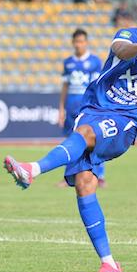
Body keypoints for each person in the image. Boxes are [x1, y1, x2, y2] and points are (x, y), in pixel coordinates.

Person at [3, 0, 137, 272]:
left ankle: (32, 170)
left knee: (85, 135)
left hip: (125, 122)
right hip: (93, 109)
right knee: (85, 183)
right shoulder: (129, 36)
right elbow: (120, 52)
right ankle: (108, 264)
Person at [57, 29, 103, 187]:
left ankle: (99, 175)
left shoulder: (95, 62)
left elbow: (97, 86)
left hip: (87, 106)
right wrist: (61, 108)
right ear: (72, 43)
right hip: (71, 106)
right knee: (71, 141)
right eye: (76, 42)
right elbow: (65, 86)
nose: (79, 45)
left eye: (81, 41)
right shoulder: (68, 63)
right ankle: (69, 177)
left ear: (86, 42)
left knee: (92, 141)